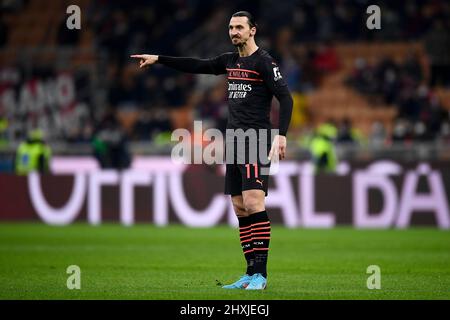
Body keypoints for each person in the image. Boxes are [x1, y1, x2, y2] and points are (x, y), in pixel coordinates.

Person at [131, 11, 293, 290]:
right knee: (241, 208)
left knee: (255, 204)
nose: (234, 32)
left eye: (239, 27)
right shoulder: (229, 61)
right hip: (233, 142)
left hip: (255, 140)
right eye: (231, 28)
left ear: (253, 30)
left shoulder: (264, 62)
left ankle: (262, 276)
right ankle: (249, 272)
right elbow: (196, 65)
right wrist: (160, 59)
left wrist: (281, 136)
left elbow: (286, 98)